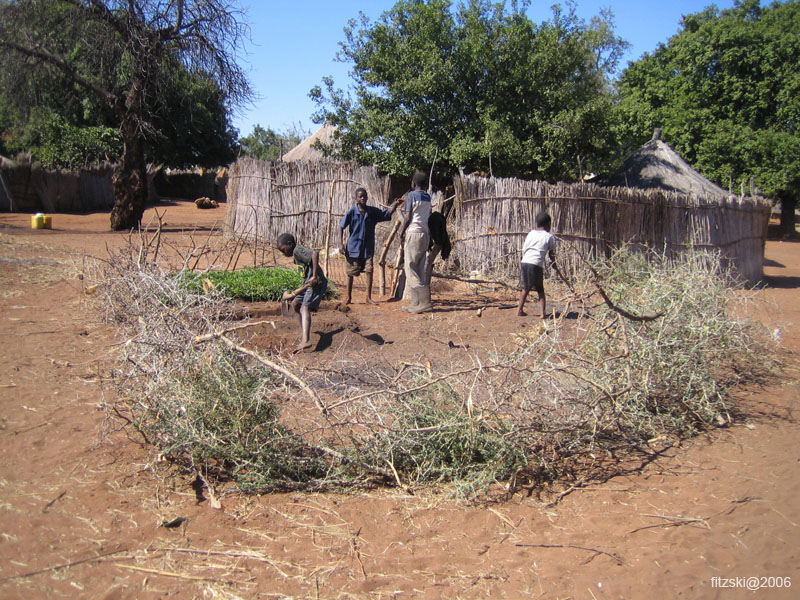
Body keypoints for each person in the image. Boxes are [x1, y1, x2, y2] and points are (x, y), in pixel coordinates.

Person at [339, 187, 402, 304]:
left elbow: (386, 214)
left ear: (367, 197)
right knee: (350, 273)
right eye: (360, 196)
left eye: (364, 196)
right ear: (356, 198)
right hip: (354, 248)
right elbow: (341, 226)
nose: (362, 198)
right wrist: (341, 244)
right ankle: (348, 297)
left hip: (367, 248)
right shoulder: (352, 212)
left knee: (369, 270)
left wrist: (395, 204)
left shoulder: (371, 212)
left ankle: (368, 297)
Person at [277, 233, 327, 352]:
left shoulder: (298, 250)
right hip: (307, 285)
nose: (283, 254)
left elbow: (314, 254)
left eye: (283, 250)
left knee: (304, 308)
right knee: (295, 305)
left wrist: (314, 276)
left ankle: (306, 340)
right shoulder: (296, 254)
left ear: (290, 244)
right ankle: (305, 334)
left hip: (316, 283)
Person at [398, 171, 433, 313]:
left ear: (413, 183)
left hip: (413, 233)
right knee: (419, 269)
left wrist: (401, 233)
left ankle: (424, 302)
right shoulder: (427, 197)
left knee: (410, 268)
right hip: (425, 234)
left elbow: (407, 217)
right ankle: (415, 303)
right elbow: (428, 216)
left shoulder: (411, 195)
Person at [517, 211, 557, 319]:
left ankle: (520, 310)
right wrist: (554, 265)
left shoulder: (531, 233)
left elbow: (524, 248)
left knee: (526, 288)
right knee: (540, 289)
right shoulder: (549, 236)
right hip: (536, 264)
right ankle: (543, 313)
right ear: (548, 224)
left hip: (525, 262)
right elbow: (552, 253)